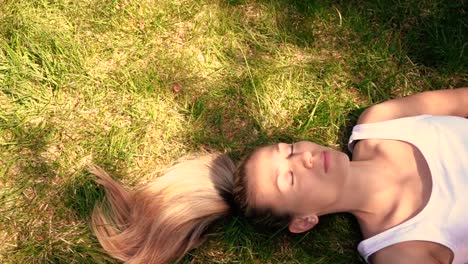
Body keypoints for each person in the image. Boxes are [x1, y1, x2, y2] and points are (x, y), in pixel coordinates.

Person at [90, 87, 468, 264]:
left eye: (287, 149)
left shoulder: (380, 122)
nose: (302, 158)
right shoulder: (402, 251)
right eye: (287, 178)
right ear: (304, 221)